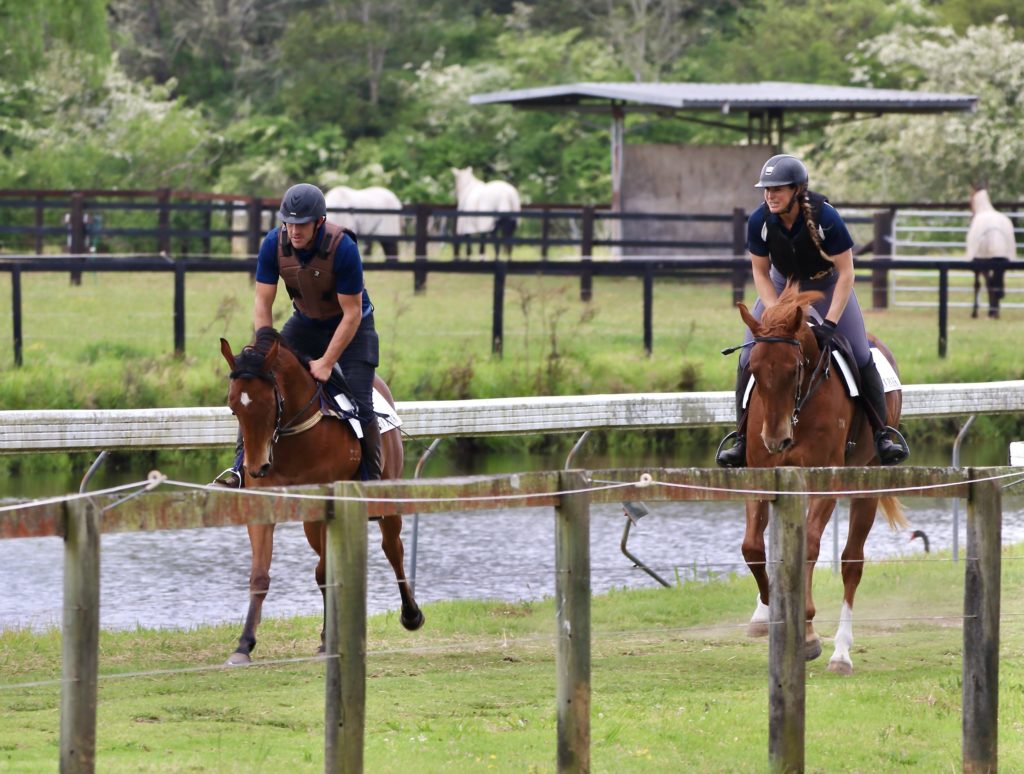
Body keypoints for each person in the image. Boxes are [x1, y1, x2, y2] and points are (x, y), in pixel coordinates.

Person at [716, 154, 908, 468]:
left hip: (827, 284)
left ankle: (881, 434)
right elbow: (761, 273)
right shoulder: (759, 221)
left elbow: (847, 273)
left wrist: (831, 322)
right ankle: (740, 439)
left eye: (777, 189)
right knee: (748, 356)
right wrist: (778, 315)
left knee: (860, 353)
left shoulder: (826, 218)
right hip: (780, 284)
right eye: (766, 189)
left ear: (798, 190)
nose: (770, 195)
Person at [214, 183, 381, 486]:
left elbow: (352, 314)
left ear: (319, 222)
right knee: (257, 387)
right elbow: (262, 302)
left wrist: (327, 362)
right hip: (305, 324)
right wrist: (262, 348)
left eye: (301, 224)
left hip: (353, 328)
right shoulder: (272, 245)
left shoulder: (343, 248)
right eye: (289, 223)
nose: (294, 230)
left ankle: (372, 482)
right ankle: (238, 470)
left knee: (361, 404)